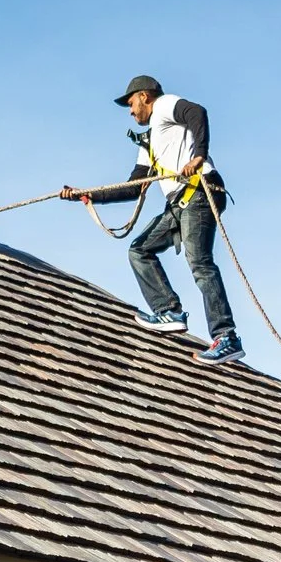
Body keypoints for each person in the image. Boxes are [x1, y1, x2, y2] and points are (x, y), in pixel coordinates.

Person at [59, 76, 242, 364]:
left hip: (198, 191)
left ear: (144, 96)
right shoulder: (148, 141)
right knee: (140, 250)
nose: (131, 111)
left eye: (131, 103)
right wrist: (88, 195)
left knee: (200, 263)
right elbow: (134, 188)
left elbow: (197, 112)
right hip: (178, 203)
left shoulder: (165, 106)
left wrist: (198, 156)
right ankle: (169, 310)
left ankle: (226, 336)